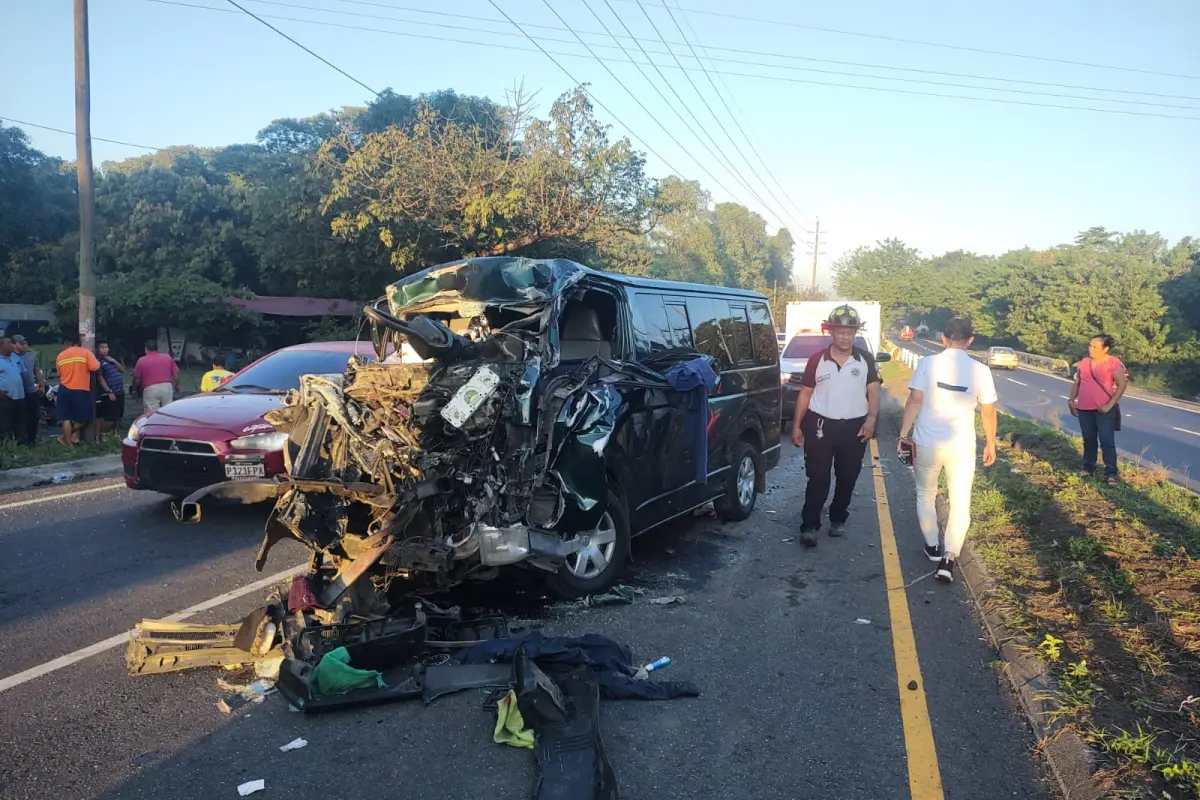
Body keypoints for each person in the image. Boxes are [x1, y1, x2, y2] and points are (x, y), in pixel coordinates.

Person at [897, 317, 998, 584]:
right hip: (961, 445)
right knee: (960, 501)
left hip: (927, 441)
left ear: (943, 338)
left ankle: (932, 546)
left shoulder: (927, 364)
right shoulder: (980, 370)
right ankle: (950, 558)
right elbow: (988, 411)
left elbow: (915, 400)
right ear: (971, 341)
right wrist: (990, 442)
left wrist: (903, 434)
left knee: (925, 494)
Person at [790, 304, 882, 547]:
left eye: (850, 332)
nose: (845, 336)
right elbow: (805, 394)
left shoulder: (865, 359)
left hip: (854, 428)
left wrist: (871, 420)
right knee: (818, 476)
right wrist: (797, 425)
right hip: (820, 426)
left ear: (855, 334)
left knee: (847, 476)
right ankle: (809, 525)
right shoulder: (816, 360)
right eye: (840, 332)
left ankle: (838, 518)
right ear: (830, 332)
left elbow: (874, 391)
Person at [1068, 334, 1127, 486]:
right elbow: (1078, 382)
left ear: (1105, 349)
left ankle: (1111, 473)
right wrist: (1071, 400)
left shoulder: (1113, 363)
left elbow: (1122, 385)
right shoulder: (1084, 362)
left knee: (1107, 441)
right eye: (1090, 345)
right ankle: (1088, 468)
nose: (1091, 349)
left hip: (1104, 409)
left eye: (1095, 347)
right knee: (1089, 439)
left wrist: (1110, 404)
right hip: (1084, 408)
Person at [54, 334, 101, 446]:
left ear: (67, 343)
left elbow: (59, 373)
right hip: (80, 389)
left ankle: (68, 443)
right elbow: (95, 367)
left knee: (66, 418)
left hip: (64, 389)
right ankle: (64, 437)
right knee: (85, 418)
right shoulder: (85, 352)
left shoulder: (60, 356)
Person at [11, 335, 43, 445]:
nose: (24, 345)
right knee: (19, 417)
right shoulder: (9, 356)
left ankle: (32, 440)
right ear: (13, 345)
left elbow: (37, 370)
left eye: (25, 343)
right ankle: (20, 440)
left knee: (33, 416)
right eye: (21, 343)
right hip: (16, 393)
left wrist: (41, 384)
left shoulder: (31, 355)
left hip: (31, 390)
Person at [132, 340, 180, 413]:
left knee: (151, 413)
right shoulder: (167, 358)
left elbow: (137, 378)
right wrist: (177, 385)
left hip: (150, 388)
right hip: (167, 387)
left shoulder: (142, 360)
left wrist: (134, 390)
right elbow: (175, 374)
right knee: (168, 411)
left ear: (146, 349)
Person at [0, 336, 29, 442]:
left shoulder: (15, 358)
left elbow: (21, 374)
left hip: (20, 397)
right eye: (8, 343)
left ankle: (21, 446)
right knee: (6, 425)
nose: (12, 346)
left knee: (21, 424)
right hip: (5, 398)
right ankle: (7, 446)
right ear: (1, 346)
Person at [95, 339, 126, 434]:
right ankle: (102, 433)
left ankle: (115, 434)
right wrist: (108, 391)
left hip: (120, 391)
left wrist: (114, 361)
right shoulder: (98, 362)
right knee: (112, 416)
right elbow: (100, 378)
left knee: (119, 415)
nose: (105, 349)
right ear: (97, 349)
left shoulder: (110, 359)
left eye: (106, 347)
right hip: (110, 392)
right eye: (102, 347)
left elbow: (122, 370)